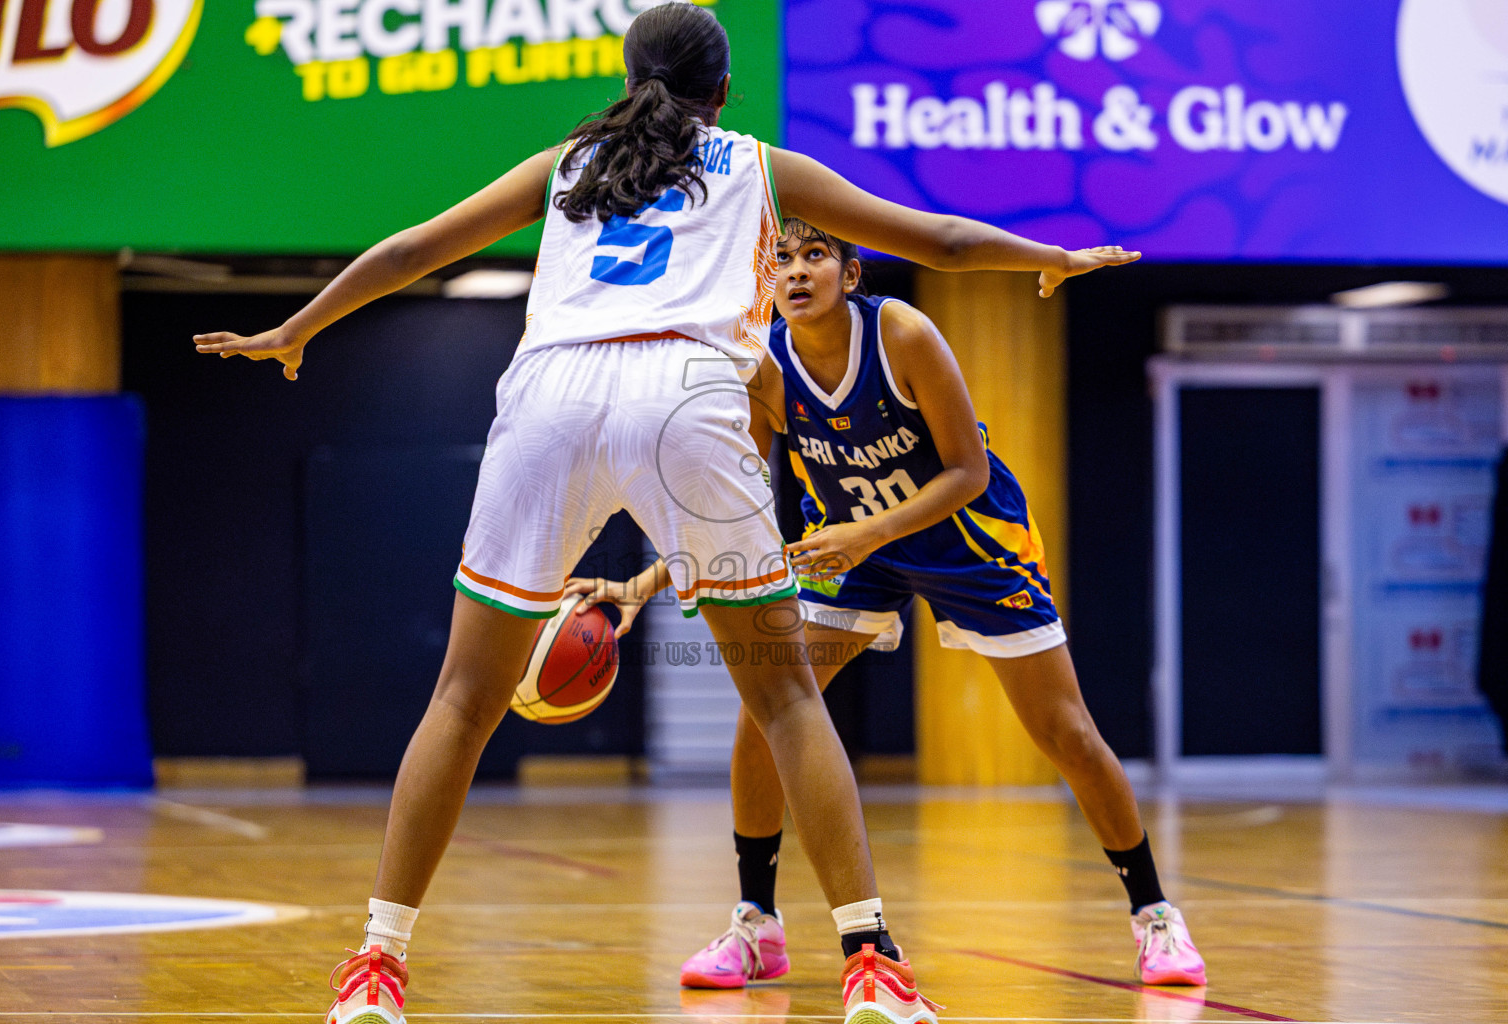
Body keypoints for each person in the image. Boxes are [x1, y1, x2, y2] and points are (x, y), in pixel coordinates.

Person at [193, 6, 1138, 1024]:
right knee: (786, 701)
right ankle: (870, 962)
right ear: (722, 92)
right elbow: (943, 240)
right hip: (686, 393)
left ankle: (375, 969)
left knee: (464, 700)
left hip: (548, 397)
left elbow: (415, 246)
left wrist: (296, 327)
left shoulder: (567, 164)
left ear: (629, 76)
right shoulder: (761, 166)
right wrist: (1052, 254)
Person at [569, 220, 1203, 989]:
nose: (796, 272)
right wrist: (643, 584)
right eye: (781, 260)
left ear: (850, 272)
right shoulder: (765, 363)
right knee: (766, 716)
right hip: (854, 549)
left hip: (966, 540)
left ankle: (1154, 913)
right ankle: (756, 922)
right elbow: (738, 504)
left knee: (1065, 731)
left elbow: (967, 472)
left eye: (815, 256)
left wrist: (863, 535)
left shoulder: (902, 332)